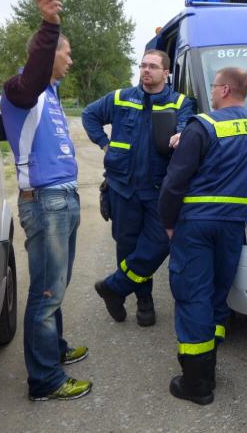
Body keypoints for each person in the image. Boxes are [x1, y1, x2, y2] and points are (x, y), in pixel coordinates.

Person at [157, 67, 247, 404]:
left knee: (193, 296)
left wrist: (168, 220)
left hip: (197, 224)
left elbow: (175, 181)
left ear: (224, 90)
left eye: (214, 85)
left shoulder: (203, 125)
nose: (212, 90)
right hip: (234, 225)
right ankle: (209, 367)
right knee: (218, 294)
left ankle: (196, 383)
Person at [0, 0, 91, 401]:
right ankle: (45, 380)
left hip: (64, 199)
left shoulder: (51, 94)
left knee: (57, 284)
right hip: (45, 201)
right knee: (46, 292)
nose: (70, 60)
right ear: (49, 52)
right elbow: (34, 72)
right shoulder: (22, 89)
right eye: (65, 52)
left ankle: (53, 349)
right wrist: (49, 26)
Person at [82, 50, 194, 327]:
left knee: (159, 243)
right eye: (143, 65)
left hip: (158, 189)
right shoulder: (121, 97)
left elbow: (186, 130)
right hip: (122, 187)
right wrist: (105, 144)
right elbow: (89, 115)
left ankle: (114, 287)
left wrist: (181, 135)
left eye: (153, 66)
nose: (146, 70)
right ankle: (143, 300)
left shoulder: (180, 103)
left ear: (166, 73)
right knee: (128, 246)